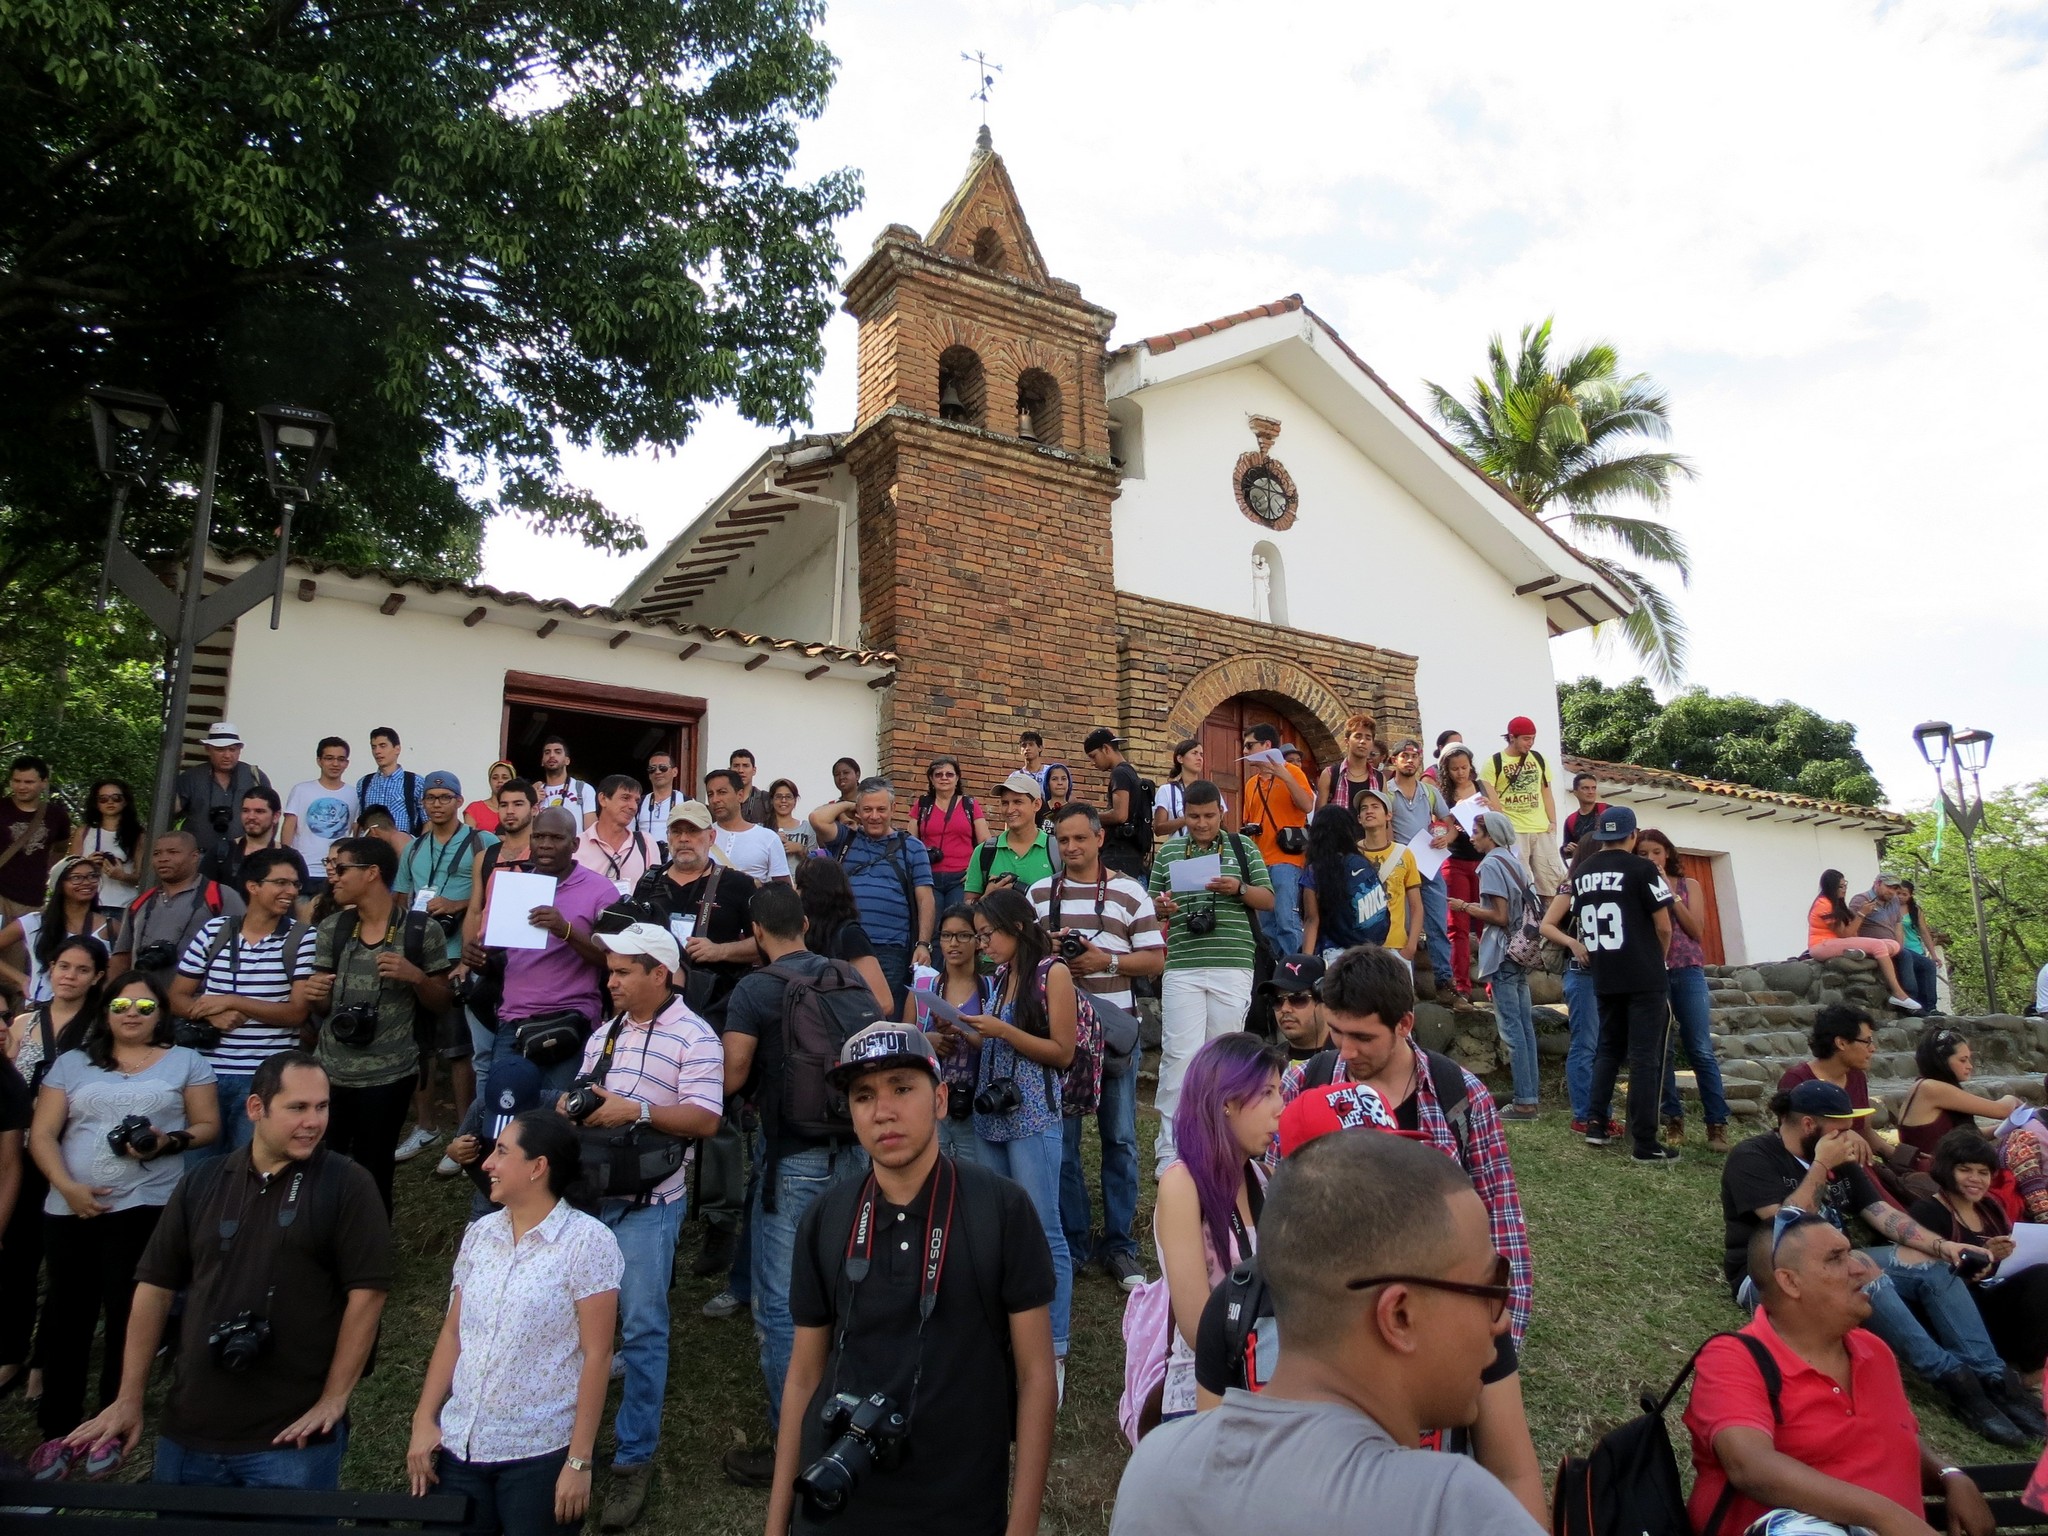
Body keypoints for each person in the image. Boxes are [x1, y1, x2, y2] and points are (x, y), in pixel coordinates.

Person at [1110, 1128, 1546, 1536]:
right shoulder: (1453, 1509)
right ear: (1398, 1316)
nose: (1503, 1318)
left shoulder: (1154, 1471)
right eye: (1489, 1287)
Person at [765, 1022, 1057, 1536]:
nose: (883, 1111)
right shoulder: (826, 1219)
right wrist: (777, 1522)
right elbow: (804, 1376)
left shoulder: (1002, 1210)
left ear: (940, 1099)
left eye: (902, 1087)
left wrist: (1024, 1522)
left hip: (959, 1502)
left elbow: (1036, 1376)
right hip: (838, 1497)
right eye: (863, 1096)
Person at [65, 1051, 389, 1489]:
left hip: (291, 1438)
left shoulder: (348, 1184)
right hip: (190, 1431)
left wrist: (334, 1400)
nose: (313, 1121)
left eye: (322, 1107)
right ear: (256, 1108)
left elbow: (367, 1294)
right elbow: (154, 1286)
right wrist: (129, 1397)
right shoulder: (202, 1181)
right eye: (297, 1108)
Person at [1718, 1079, 2039, 1445]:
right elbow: (1787, 1228)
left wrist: (1942, 1245)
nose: (1850, 1134)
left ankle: (1993, 1376)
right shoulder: (1753, 1157)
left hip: (1838, 1261)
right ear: (1809, 1125)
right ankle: (1955, 1381)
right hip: (1772, 1277)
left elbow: (1880, 1211)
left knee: (1931, 1266)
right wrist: (1821, 1164)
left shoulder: (1841, 1156)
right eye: (1840, 1125)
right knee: (1862, 1270)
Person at [1684, 1211, 1996, 1536]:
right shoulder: (1734, 1357)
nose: (1860, 1267)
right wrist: (1885, 1516)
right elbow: (1751, 1467)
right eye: (1836, 1258)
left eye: (1850, 1253)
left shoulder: (1874, 1351)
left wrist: (1950, 1476)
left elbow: (1893, 1440)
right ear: (1790, 1281)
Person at [1281, 944, 1533, 1337]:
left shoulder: (1461, 1097)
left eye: (1363, 1037)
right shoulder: (1302, 1084)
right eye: (1336, 1030)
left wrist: (1503, 1327)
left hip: (1431, 1311)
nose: (1345, 1051)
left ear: (1404, 1024)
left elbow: (1499, 1215)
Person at [720, 884, 880, 1487]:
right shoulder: (846, 975)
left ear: (757, 933)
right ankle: (854, 1418)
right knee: (850, 1288)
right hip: (858, 1157)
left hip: (793, 1161)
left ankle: (795, 1444)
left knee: (786, 1305)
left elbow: (734, 1075)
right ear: (807, 924)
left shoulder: (756, 988)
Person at [27, 971, 218, 1464]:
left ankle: (114, 1418)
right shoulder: (72, 1064)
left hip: (147, 1205)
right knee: (68, 1313)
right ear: (105, 1011)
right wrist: (68, 1188)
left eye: (145, 1006)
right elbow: (43, 1134)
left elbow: (208, 1127)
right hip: (70, 1208)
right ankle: (60, 1424)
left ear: (161, 1014)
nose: (132, 1014)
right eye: (121, 1006)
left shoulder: (187, 1062)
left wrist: (168, 1141)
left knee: (128, 1312)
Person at [571, 925, 726, 1529]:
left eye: (621, 972)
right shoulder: (605, 1033)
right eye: (609, 972)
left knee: (641, 1327)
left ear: (659, 974)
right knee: (585, 1326)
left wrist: (632, 1109)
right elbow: (584, 1090)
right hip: (593, 1195)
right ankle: (576, 1439)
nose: (608, 981)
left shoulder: (696, 1036)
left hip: (648, 1202)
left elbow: (706, 1119)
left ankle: (633, 1458)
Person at [411, 1109, 620, 1536]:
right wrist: (423, 1419)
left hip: (539, 1453)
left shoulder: (587, 1242)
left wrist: (579, 1461)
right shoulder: (479, 1235)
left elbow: (597, 1355)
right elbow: (453, 1333)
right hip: (460, 1448)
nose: (487, 1162)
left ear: (537, 1167)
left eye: (502, 1152)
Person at [1029, 803, 1165, 1292]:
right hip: (1060, 1038)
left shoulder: (1129, 892)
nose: (1071, 848)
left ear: (1098, 839)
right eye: (1063, 841)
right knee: (1063, 1147)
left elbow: (1155, 961)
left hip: (1113, 1034)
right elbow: (1020, 957)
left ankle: (1120, 1245)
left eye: (1079, 839)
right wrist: (1049, 951)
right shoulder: (1040, 893)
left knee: (1122, 1142)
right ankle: (1073, 1240)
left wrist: (1103, 960)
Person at [627, 800, 759, 1281]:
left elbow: (768, 940)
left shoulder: (739, 885)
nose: (684, 839)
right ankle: (659, 1205)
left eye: (694, 832)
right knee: (655, 1104)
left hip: (719, 1006)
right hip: (658, 1011)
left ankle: (722, 1221)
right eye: (677, 831)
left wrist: (721, 949)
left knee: (717, 1112)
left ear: (711, 838)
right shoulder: (649, 883)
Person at [961, 889, 1078, 1377]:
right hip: (992, 1114)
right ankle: (1010, 1333)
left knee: (1043, 1228)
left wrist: (1002, 1031)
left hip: (1033, 1116)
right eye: (979, 935)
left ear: (1017, 927)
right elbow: (996, 1040)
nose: (983, 943)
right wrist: (963, 1032)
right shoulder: (1001, 978)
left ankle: (1054, 1345)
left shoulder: (1053, 973)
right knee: (998, 1225)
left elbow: (1062, 1052)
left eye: (990, 934)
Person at [303, 834, 453, 1213]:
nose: (333, 877)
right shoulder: (333, 928)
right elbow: (322, 1006)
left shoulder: (421, 931)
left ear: (371, 873)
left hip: (389, 1075)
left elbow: (442, 1003)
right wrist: (315, 992)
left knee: (374, 1171)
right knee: (324, 1168)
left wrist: (416, 976)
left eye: (340, 868)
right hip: (331, 1072)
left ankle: (369, 1256)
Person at [1154, 1033, 1287, 1422]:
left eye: (1279, 1092)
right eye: (1266, 1092)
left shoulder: (1268, 1178)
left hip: (1270, 1386)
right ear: (1226, 1102)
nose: (1280, 1107)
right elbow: (1197, 1328)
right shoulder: (1182, 1184)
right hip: (1201, 1397)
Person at [0, 934, 105, 1405]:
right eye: (64, 966)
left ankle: (45, 1360)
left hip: (71, 1153)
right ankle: (10, 1351)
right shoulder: (21, 1021)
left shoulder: (100, 1029)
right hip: (20, 1151)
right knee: (17, 1259)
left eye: (82, 969)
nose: (70, 976)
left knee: (63, 1263)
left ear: (97, 977)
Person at [1148, 780, 1275, 1167]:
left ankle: (1221, 1145)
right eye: (1193, 816)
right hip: (1183, 963)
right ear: (1184, 815)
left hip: (1233, 961)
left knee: (1224, 1056)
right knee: (1178, 1057)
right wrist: (1163, 908)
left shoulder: (1242, 846)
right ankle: (1170, 1150)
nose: (1201, 824)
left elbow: (1268, 900)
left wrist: (1237, 888)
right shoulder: (1169, 851)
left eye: (1208, 815)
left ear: (1222, 812)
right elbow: (1154, 909)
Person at [169, 848, 316, 1158]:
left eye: (295, 885)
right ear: (253, 886)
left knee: (254, 1170)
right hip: (204, 1075)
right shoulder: (214, 931)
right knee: (199, 1175)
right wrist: (211, 1016)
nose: (290, 891)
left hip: (266, 1077)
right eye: (281, 883)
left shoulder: (304, 938)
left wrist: (231, 1001)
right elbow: (176, 997)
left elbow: (296, 1012)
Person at [469, 808, 614, 1094]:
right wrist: (477, 960)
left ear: (574, 845)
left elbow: (612, 960)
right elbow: (496, 957)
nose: (545, 844)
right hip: (514, 1020)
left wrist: (566, 931)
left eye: (555, 837)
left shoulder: (601, 889)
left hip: (571, 1020)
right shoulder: (513, 886)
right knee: (503, 1111)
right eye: (538, 836)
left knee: (555, 1114)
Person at [1565, 806, 1677, 1162]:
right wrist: (1657, 959)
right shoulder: (1642, 868)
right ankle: (1644, 1142)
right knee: (1645, 1057)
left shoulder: (1581, 871)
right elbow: (1663, 925)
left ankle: (1596, 1123)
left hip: (1605, 970)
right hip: (1643, 972)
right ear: (1633, 835)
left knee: (1608, 1050)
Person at [396, 771, 494, 1169]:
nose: (437, 804)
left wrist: (454, 906)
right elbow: (402, 896)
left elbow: (492, 893)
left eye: (445, 797)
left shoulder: (482, 843)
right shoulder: (414, 848)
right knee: (421, 1046)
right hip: (419, 953)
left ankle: (463, 1132)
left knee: (459, 1049)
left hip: (457, 955)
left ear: (459, 800)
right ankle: (424, 1125)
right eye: (430, 798)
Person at [1913, 1128, 2048, 1386]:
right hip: (1959, 1311)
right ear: (1946, 1169)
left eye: (1983, 1172)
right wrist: (1987, 1260)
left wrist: (2005, 1256)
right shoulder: (1928, 1213)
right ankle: (2030, 1375)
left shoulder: (1989, 1208)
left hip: (1995, 1299)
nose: (1975, 1179)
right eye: (1965, 1170)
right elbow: (1930, 1281)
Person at [1633, 827, 1731, 1151]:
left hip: (1687, 971)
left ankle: (1717, 1124)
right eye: (1643, 854)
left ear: (1668, 854)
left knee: (1700, 1047)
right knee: (1664, 1050)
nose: (1650, 858)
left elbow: (1696, 930)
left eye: (1656, 852)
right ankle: (1673, 1119)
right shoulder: (1635, 888)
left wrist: (1668, 894)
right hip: (1653, 972)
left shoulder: (1690, 886)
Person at [1447, 812, 1540, 1121]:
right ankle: (1529, 1095)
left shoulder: (1489, 865)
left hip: (1502, 952)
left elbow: (1498, 916)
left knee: (1512, 1030)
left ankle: (1525, 1102)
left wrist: (1464, 906)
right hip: (1520, 952)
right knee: (1525, 1029)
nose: (1471, 837)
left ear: (1491, 835)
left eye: (1476, 832)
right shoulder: (1515, 862)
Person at [811, 778, 934, 1010]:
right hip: (846, 945)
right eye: (867, 809)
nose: (874, 816)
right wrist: (849, 804)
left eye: (881, 809)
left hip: (891, 948)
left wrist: (923, 944)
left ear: (893, 809)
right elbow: (817, 818)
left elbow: (925, 898)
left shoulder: (913, 847)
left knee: (885, 1014)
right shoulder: (845, 839)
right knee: (845, 1011)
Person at [457, 777, 537, 1088]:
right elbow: (475, 909)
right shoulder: (486, 856)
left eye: (518, 804)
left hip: (526, 962)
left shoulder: (543, 853)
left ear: (534, 808)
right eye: (503, 804)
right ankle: (481, 1129)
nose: (509, 811)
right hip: (485, 960)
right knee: (482, 1054)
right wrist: (467, 957)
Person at [906, 902, 989, 1167]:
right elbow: (903, 1042)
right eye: (946, 935)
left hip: (976, 1106)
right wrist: (926, 1041)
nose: (954, 943)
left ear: (978, 941)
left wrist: (962, 1031)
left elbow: (998, 1047)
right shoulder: (923, 987)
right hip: (930, 1107)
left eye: (963, 935)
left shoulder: (992, 987)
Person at [1538, 842, 1611, 1138]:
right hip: (1582, 973)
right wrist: (1573, 943)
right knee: (1585, 1045)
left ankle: (1599, 1114)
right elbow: (1547, 925)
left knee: (1598, 1045)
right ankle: (1584, 1114)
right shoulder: (1572, 885)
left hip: (1603, 973)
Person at [110, 830, 247, 984]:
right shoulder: (139, 903)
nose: (163, 859)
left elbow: (244, 951)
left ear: (195, 857)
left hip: (198, 1000)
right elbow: (121, 958)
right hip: (144, 1000)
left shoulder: (222, 896)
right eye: (157, 854)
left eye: (172, 852)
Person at [1383, 740, 1457, 996]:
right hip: (1399, 867)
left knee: (1438, 922)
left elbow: (1449, 823)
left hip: (1428, 864)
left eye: (1415, 756)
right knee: (1401, 926)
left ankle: (1445, 983)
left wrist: (1446, 838)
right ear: (1394, 760)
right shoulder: (1386, 791)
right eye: (1404, 755)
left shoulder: (1430, 791)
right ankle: (1405, 985)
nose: (1410, 760)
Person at [1894, 1026, 2023, 1168]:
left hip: (1947, 1169)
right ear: (1942, 1061)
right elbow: (2001, 1110)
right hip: (1933, 1175)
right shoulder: (1930, 1088)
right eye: (1963, 1060)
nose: (1970, 1066)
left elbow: (1966, 1135)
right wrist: (2013, 1099)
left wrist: (2006, 1127)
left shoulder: (1931, 1086)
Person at [1, 757, 75, 998]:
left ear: (43, 783)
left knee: (19, 963)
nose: (22, 786)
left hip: (31, 898)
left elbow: (61, 848)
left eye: (29, 781)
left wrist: (47, 873)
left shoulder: (57, 816)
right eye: (17, 781)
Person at [1778, 1004, 1891, 1162]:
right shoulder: (1797, 1080)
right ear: (1841, 1043)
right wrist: (1843, 1134)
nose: (1873, 1048)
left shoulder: (1857, 1077)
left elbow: (1865, 1132)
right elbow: (1792, 1137)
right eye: (1867, 1041)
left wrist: (1903, 1157)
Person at [0, 856, 118, 1006]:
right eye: (76, 878)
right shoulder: (34, 922)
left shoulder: (110, 926)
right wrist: (21, 979)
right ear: (59, 884)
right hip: (40, 1006)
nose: (87, 882)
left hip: (89, 1009)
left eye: (93, 876)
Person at [1239, 723, 1313, 956]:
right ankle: (1278, 978)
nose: (1245, 751)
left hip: (1286, 859)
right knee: (1267, 926)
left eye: (1250, 745)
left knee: (1286, 921)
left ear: (1266, 746)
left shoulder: (1293, 771)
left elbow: (1307, 805)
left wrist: (1286, 777)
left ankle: (1298, 977)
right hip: (1259, 861)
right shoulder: (1251, 784)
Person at [1806, 868, 1920, 1011]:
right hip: (1822, 945)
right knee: (1878, 945)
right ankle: (1899, 993)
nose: (1844, 889)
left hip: (1837, 943)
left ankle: (1857, 952)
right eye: (1841, 886)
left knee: (1892, 944)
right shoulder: (1824, 904)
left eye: (1845, 885)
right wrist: (1862, 913)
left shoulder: (1836, 903)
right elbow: (1845, 934)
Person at [790, 858, 893, 1014]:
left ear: (816, 892)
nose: (795, 892)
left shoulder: (850, 935)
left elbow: (883, 1002)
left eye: (800, 886)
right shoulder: (802, 933)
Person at [1435, 746, 1493, 1008]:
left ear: (1471, 765)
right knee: (1456, 926)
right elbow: (1444, 830)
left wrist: (1489, 808)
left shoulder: (1484, 786)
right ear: (1446, 770)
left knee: (1487, 923)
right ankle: (1462, 985)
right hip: (1455, 861)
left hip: (1485, 862)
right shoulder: (1443, 795)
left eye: (1464, 767)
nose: (1460, 773)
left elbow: (1503, 821)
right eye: (1454, 769)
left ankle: (1493, 985)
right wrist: (1449, 830)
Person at [1480, 716, 1563, 896]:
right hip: (1515, 831)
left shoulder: (1539, 759)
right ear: (1512, 737)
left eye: (1533, 738)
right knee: (1521, 886)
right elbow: (1494, 802)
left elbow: (1546, 792)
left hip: (1542, 830)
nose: (1530, 743)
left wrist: (1553, 822)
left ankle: (1551, 922)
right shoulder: (1494, 763)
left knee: (1551, 884)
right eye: (1526, 738)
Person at [173, 725, 271, 866]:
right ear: (208, 749)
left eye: (232, 749)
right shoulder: (191, 777)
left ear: (239, 750)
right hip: (199, 856)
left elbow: (271, 814)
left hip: (244, 855)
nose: (227, 755)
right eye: (220, 749)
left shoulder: (254, 776)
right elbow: (173, 810)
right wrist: (172, 770)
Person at [1299, 804, 1388, 958]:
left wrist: (1306, 961)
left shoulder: (1315, 871)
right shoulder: (1363, 863)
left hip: (1334, 954)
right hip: (1372, 955)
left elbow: (1312, 919)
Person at [1352, 787, 1425, 964]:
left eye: (1375, 806)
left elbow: (1416, 906)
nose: (1369, 811)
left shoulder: (1404, 854)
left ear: (1388, 816)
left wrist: (1411, 946)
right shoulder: (1351, 854)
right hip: (1359, 948)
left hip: (1396, 947)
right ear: (1359, 819)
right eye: (1364, 808)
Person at [282, 740, 361, 896]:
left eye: (341, 759)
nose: (335, 764)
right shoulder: (301, 790)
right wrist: (286, 862)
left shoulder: (354, 794)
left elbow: (356, 831)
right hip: (305, 870)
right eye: (329, 758)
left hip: (338, 873)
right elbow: (289, 827)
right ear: (319, 760)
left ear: (347, 763)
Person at [202, 785, 306, 902]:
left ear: (276, 816)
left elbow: (300, 901)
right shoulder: (220, 852)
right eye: (245, 811)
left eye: (259, 811)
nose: (251, 817)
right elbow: (204, 896)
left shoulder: (291, 858)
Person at [910, 756, 987, 911]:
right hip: (928, 877)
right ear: (931, 779)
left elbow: (985, 841)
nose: (944, 778)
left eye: (949, 774)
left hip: (961, 879)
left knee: (957, 925)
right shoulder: (923, 805)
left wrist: (976, 871)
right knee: (931, 929)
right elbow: (911, 842)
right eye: (938, 774)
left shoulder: (970, 804)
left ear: (957, 778)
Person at [965, 771, 1056, 902]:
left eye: (1018, 802)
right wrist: (987, 898)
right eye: (1005, 803)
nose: (1009, 810)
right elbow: (967, 910)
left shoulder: (1056, 850)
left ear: (1036, 804)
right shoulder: (984, 852)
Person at [1083, 728, 1150, 881]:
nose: (1093, 763)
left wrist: (1088, 816)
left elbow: (1120, 815)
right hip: (1132, 854)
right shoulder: (1129, 772)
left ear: (1106, 748)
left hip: (1118, 854)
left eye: (1094, 756)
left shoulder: (1119, 773)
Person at [69, 778, 145, 909]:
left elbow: (142, 876)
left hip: (123, 905)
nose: (110, 802)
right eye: (103, 799)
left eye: (116, 798)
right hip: (87, 904)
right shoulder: (84, 832)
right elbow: (68, 871)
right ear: (96, 803)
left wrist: (122, 876)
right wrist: (87, 863)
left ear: (126, 801)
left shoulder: (138, 835)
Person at [706, 768, 789, 884]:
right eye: (710, 794)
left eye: (722, 792)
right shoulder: (702, 837)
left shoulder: (768, 838)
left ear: (740, 795)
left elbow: (784, 891)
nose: (715, 800)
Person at [575, 774, 651, 896]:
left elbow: (656, 892)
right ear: (603, 799)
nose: (633, 806)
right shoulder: (576, 845)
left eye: (637, 801)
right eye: (625, 798)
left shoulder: (645, 842)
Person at [349, 726, 422, 837]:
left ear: (397, 749)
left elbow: (428, 822)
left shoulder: (415, 782)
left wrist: (418, 848)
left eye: (383, 746)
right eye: (374, 747)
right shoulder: (364, 782)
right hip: (370, 848)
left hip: (402, 849)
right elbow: (359, 822)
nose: (377, 751)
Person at [1263, 955, 1330, 1061]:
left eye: (1297, 998)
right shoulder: (1267, 1064)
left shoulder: (1350, 1061)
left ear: (1324, 998)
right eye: (1277, 1000)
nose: (1285, 1009)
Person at [1314, 711, 1383, 811]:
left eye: (1368, 738)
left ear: (1372, 743)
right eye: (1358, 736)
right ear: (1347, 741)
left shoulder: (1379, 778)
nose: (1363, 741)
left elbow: (1384, 819)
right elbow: (1319, 819)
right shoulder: (1331, 774)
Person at [1153, 738, 1219, 839]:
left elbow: (1220, 822)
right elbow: (1158, 828)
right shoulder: (1167, 790)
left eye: (1201, 754)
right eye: (1194, 753)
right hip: (1178, 850)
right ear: (1180, 759)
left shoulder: (1210, 789)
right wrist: (1189, 818)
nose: (1199, 758)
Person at [1899, 880, 1945, 1015]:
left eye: (1904, 894)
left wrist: (1934, 955)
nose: (1901, 896)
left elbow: (1924, 931)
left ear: (1910, 896)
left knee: (1924, 978)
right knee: (1910, 981)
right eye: (1899, 893)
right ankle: (1914, 1007)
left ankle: (1930, 1007)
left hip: (1916, 949)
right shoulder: (1890, 908)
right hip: (1902, 950)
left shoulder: (1915, 910)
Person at [534, 736, 597, 829]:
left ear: (567, 761)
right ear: (542, 761)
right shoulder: (535, 791)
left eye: (558, 752)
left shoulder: (584, 789)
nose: (552, 755)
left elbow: (590, 830)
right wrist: (531, 800)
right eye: (547, 752)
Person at [634, 751, 680, 860]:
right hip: (643, 863)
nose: (657, 772)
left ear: (674, 771)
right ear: (649, 775)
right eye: (652, 769)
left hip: (675, 863)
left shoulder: (686, 801)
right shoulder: (638, 802)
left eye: (663, 768)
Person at [1557, 772, 1607, 863]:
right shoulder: (1571, 820)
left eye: (1593, 788)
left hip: (1608, 862)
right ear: (1575, 792)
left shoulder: (1607, 811)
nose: (1591, 792)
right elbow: (1566, 848)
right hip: (1584, 866)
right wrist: (1567, 849)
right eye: (1585, 788)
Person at [464, 759, 517, 835]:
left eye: (505, 778)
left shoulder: (518, 810)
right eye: (495, 778)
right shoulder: (475, 809)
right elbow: (469, 841)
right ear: (489, 781)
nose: (500, 781)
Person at [768, 778, 813, 861]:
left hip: (801, 874)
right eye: (778, 797)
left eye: (788, 797)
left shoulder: (807, 827)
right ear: (771, 800)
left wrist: (801, 849)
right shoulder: (762, 828)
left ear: (795, 801)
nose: (783, 800)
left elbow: (816, 862)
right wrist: (773, 841)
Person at [729, 748, 774, 827]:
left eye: (745, 766)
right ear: (729, 770)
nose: (740, 770)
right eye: (736, 766)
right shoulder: (723, 798)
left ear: (754, 770)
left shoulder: (766, 799)